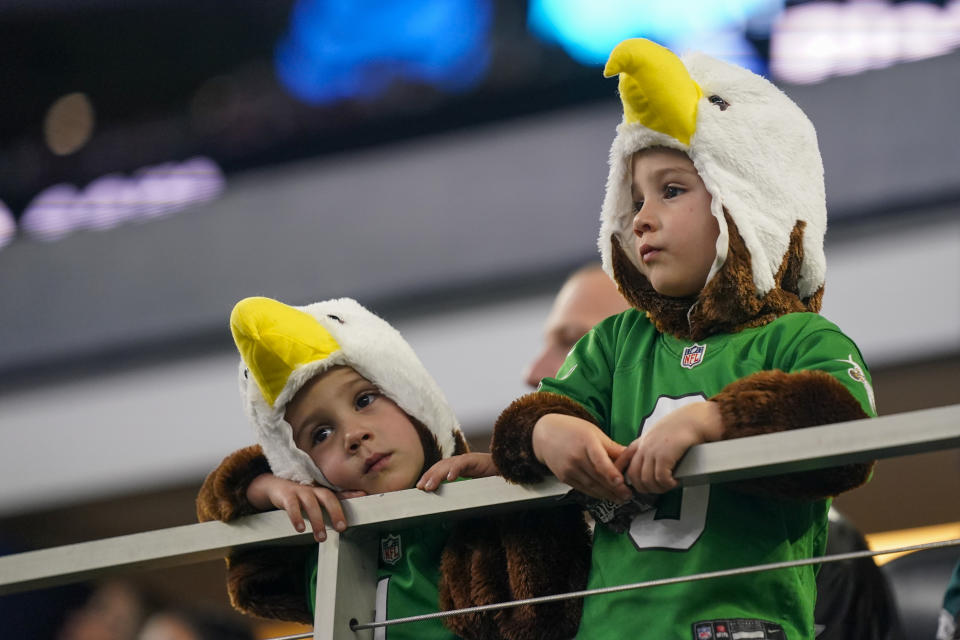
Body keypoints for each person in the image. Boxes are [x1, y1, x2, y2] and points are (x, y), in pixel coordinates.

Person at [491, 37, 878, 639]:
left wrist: (713, 421)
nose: (641, 217)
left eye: (671, 190)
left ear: (748, 202)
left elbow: (846, 427)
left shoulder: (798, 337)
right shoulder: (617, 342)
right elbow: (531, 417)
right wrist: (548, 430)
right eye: (636, 197)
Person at [526, 264, 905, 640]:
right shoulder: (551, 527)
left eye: (573, 342)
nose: (535, 370)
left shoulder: (826, 548)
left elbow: (847, 434)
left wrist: (726, 416)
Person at [197, 296, 590, 640]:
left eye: (366, 399)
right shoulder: (319, 530)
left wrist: (516, 487)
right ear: (299, 464)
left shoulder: (476, 502)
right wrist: (266, 486)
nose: (353, 435)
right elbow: (228, 530)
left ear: (412, 395)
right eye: (320, 434)